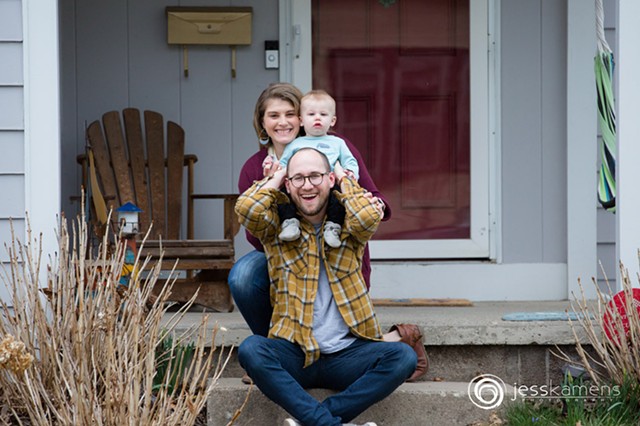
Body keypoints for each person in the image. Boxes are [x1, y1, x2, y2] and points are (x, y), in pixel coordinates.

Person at [229, 82, 428, 382]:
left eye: (290, 114)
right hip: (286, 258)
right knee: (243, 275)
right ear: (262, 123)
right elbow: (254, 235)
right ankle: (274, 353)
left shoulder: (334, 147)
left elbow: (375, 199)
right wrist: (273, 187)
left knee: (339, 344)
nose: (282, 122)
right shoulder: (255, 167)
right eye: (273, 116)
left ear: (304, 118)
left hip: (337, 254)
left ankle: (393, 342)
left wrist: (360, 196)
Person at [235, 147, 417, 426]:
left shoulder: (348, 225)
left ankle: (313, 420)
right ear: (288, 184)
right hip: (296, 352)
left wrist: (347, 181)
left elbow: (369, 216)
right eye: (299, 178)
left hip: (348, 354)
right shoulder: (278, 228)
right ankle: (328, 423)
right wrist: (278, 176)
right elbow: (248, 208)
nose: (307, 185)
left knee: (403, 357)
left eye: (315, 176)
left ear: (330, 179)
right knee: (251, 349)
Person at [267, 90, 359, 248]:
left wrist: (350, 172)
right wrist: (272, 168)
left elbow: (350, 160)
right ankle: (290, 223)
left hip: (328, 185)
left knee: (338, 199)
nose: (317, 117)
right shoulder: (295, 144)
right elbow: (283, 163)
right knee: (282, 196)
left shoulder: (337, 143)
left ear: (333, 121)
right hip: (300, 186)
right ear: (302, 121)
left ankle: (333, 227)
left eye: (323, 114)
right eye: (311, 114)